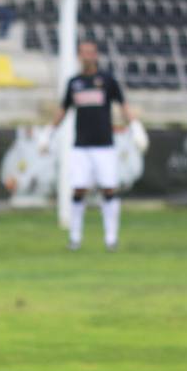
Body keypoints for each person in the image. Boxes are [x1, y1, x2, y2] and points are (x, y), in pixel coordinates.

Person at [49, 40, 139, 252]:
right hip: (81, 146)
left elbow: (123, 105)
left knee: (109, 189)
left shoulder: (107, 81)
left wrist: (135, 127)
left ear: (96, 55)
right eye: (83, 52)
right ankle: (75, 238)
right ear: (79, 55)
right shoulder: (74, 83)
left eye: (90, 52)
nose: (87, 56)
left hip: (104, 145)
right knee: (78, 189)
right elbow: (63, 109)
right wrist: (48, 133)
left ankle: (111, 238)